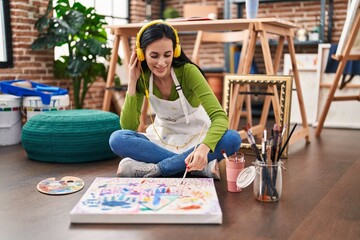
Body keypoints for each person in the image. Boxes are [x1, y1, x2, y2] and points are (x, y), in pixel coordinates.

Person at [109, 19, 241, 178]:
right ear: (141, 54)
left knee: (233, 138)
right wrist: (132, 82)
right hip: (162, 139)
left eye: (167, 55)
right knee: (117, 138)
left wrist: (203, 148)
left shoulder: (188, 72)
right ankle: (196, 168)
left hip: (196, 138)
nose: (161, 63)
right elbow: (129, 126)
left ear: (175, 51)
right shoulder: (142, 77)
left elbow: (220, 118)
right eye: (154, 56)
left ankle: (160, 168)